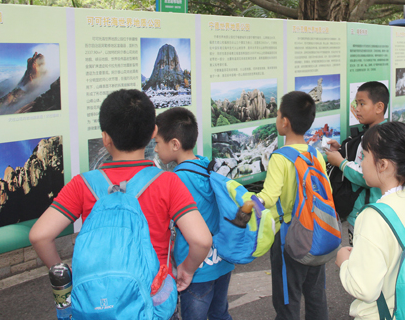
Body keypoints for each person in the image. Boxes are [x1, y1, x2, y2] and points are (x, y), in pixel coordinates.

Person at [29, 89, 212, 320]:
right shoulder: (167, 182)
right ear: (153, 132)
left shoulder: (82, 184)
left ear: (106, 138)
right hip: (151, 300)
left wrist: (64, 273)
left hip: (95, 303)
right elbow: (201, 240)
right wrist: (186, 270)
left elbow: (39, 235)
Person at [336, 122, 405, 319]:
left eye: (364, 156)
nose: (362, 163)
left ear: (383, 164)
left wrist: (344, 263)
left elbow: (365, 288)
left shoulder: (372, 216)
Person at [154, 107, 235, 320]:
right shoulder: (205, 165)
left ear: (174, 144)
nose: (155, 149)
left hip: (195, 269)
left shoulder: (176, 181)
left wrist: (186, 268)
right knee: (220, 313)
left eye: (157, 143)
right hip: (222, 262)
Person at [256, 91, 329, 320]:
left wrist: (249, 204)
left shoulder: (280, 157)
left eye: (277, 115)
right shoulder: (315, 154)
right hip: (317, 233)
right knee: (316, 296)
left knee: (288, 298)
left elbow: (269, 196)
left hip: (289, 238)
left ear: (284, 122)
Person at [325, 82, 388, 244]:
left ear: (379, 107)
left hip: (369, 213)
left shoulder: (378, 138)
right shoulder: (373, 133)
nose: (357, 109)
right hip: (362, 212)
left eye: (362, 104)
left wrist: (341, 163)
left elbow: (370, 175)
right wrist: (341, 150)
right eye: (356, 104)